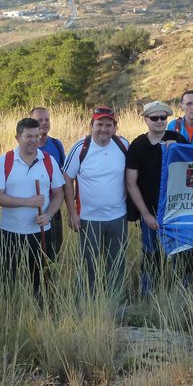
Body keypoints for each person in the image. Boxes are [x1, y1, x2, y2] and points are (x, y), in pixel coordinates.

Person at [0, 117, 66, 297]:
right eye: (28, 136)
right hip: (10, 232)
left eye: (36, 136)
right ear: (17, 137)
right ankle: (7, 314)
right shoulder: (5, 161)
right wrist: (27, 202)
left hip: (40, 233)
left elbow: (59, 193)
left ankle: (40, 316)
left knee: (40, 281)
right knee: (5, 280)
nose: (34, 140)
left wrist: (48, 215)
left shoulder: (48, 161)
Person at [63, 106, 131, 296]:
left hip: (118, 217)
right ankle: (86, 303)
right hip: (88, 218)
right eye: (99, 124)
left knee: (116, 263)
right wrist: (72, 213)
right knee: (88, 265)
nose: (104, 129)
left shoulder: (123, 145)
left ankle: (114, 301)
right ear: (91, 125)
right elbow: (67, 178)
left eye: (108, 125)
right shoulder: (80, 148)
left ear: (115, 127)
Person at [126, 100, 187, 294]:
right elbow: (130, 183)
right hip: (150, 210)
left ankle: (182, 293)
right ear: (146, 120)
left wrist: (178, 150)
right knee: (150, 252)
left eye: (163, 117)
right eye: (155, 118)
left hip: (177, 210)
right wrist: (145, 214)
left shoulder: (177, 138)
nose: (159, 121)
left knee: (181, 253)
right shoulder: (137, 145)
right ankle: (148, 293)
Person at [30, 107, 67, 257]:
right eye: (40, 120)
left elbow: (64, 176)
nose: (44, 123)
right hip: (31, 207)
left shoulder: (56, 145)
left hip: (53, 207)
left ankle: (51, 278)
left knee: (54, 249)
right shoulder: (26, 148)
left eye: (47, 119)